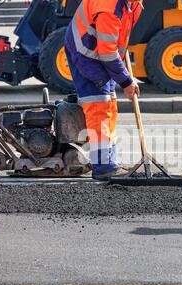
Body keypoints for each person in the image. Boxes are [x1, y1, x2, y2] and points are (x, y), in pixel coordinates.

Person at [65, 0, 143, 180]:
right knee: (99, 108)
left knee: (109, 106)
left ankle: (109, 161)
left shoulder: (131, 3)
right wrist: (126, 81)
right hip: (87, 53)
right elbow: (107, 52)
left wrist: (123, 70)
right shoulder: (109, 8)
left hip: (97, 49)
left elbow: (115, 38)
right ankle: (103, 166)